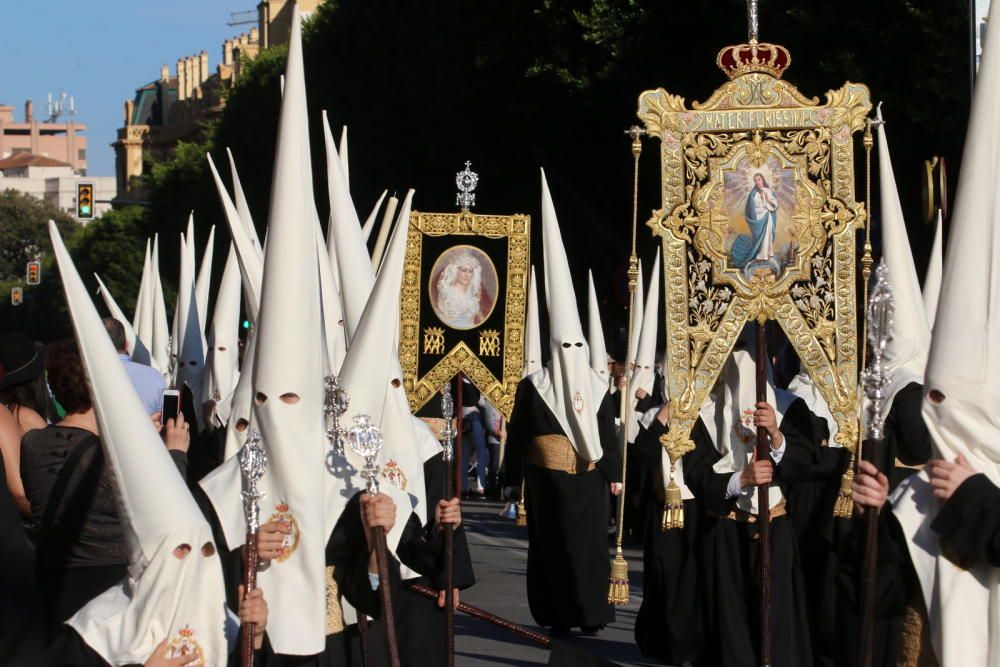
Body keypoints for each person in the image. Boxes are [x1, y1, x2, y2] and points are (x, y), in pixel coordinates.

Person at [503, 171, 621, 635]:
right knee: (551, 547)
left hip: (589, 482)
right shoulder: (534, 385)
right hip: (548, 481)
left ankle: (590, 612)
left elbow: (607, 431)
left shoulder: (596, 384)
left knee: (590, 548)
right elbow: (518, 433)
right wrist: (513, 480)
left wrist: (612, 474)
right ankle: (554, 612)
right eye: (564, 347)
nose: (572, 354)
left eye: (578, 346)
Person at [20, 338, 191, 637]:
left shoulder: (32, 443)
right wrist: (174, 453)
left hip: (53, 585)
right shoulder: (114, 456)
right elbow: (167, 513)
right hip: (110, 592)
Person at [683, 341, 822, 667]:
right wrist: (740, 480)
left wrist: (776, 437)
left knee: (777, 621)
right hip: (726, 532)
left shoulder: (790, 408)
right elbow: (695, 473)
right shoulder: (704, 414)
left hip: (775, 528)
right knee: (732, 624)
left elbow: (808, 463)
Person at [633, 399, 703, 667]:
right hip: (662, 507)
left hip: (695, 507)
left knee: (689, 577)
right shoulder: (656, 413)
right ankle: (659, 639)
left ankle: (687, 646)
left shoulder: (705, 413)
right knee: (663, 572)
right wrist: (662, 415)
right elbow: (645, 453)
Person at [103, 318, 166, 416]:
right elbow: (166, 417)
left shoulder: (86, 375)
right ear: (126, 345)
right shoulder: (155, 376)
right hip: (146, 430)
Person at [731, 172, 779, 271]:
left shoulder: (768, 191)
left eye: (759, 179)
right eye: (755, 180)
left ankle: (765, 255)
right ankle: (760, 254)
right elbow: (749, 209)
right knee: (758, 238)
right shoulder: (753, 194)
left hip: (767, 217)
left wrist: (765, 198)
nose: (757, 182)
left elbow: (774, 205)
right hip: (757, 218)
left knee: (767, 236)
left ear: (763, 180)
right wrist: (753, 219)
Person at [434, 249, 492, 329]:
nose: (467, 275)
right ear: (455, 271)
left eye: (470, 271)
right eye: (463, 270)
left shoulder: (472, 296)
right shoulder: (447, 293)